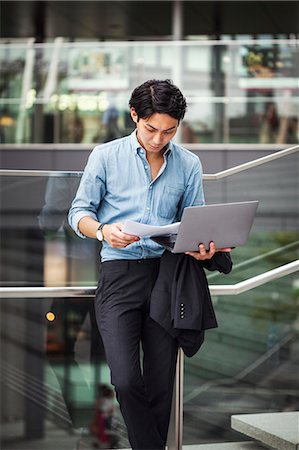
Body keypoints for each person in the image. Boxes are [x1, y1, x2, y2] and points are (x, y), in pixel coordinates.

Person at [68, 79, 232, 450]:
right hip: (119, 275)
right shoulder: (105, 156)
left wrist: (203, 247)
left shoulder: (189, 163)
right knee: (125, 379)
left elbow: (196, 219)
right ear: (134, 116)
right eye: (151, 128)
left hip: (167, 278)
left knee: (161, 383)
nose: (159, 139)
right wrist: (103, 232)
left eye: (170, 131)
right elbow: (78, 213)